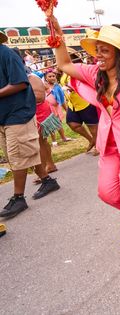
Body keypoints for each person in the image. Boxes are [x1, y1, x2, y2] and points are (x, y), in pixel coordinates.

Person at [49, 0, 120, 247]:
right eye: (96, 50)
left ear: (118, 55)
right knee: (108, 194)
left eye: (104, 51)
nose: (97, 56)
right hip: (109, 145)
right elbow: (65, 65)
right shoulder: (94, 75)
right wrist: (56, 32)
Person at [0, 30, 60, 219]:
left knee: (18, 155)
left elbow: (20, 83)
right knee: (19, 154)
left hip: (17, 113)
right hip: (3, 116)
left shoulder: (6, 54)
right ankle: (47, 180)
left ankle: (18, 198)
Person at [61, 51, 99, 155]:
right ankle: (91, 139)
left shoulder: (81, 68)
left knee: (93, 126)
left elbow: (87, 81)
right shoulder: (65, 70)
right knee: (73, 124)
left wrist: (73, 86)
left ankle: (98, 145)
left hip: (85, 100)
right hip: (72, 104)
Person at [44, 69, 71, 146]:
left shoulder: (57, 86)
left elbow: (61, 99)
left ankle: (64, 138)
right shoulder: (44, 86)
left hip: (57, 107)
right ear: (46, 78)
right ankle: (54, 141)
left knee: (58, 123)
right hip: (49, 108)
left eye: (53, 76)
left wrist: (66, 109)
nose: (52, 77)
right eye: (49, 76)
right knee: (51, 123)